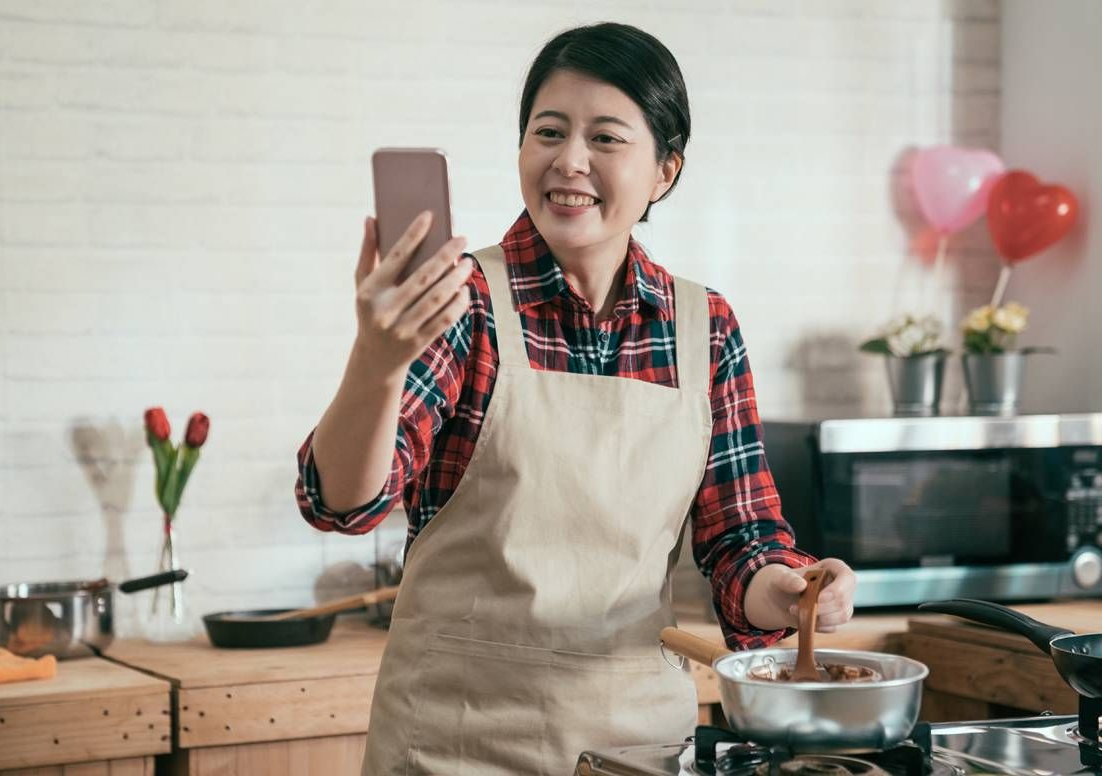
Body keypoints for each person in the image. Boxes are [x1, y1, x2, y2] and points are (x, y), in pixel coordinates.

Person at [296, 21, 856, 776]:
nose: (569, 161)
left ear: (665, 170)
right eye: (548, 132)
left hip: (636, 749)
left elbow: (739, 542)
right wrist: (376, 361)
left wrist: (788, 594)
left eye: (606, 138)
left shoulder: (705, 327)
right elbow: (344, 503)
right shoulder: (463, 304)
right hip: (452, 745)